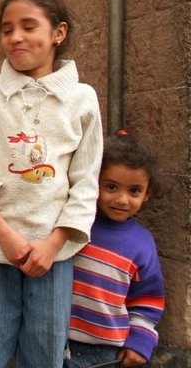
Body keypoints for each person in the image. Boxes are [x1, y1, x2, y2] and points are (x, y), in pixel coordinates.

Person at [0, 0, 104, 367]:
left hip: (52, 255)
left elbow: (86, 182)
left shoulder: (82, 99)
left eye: (28, 26)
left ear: (58, 33)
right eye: (7, 29)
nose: (15, 37)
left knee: (44, 356)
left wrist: (52, 244)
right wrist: (3, 235)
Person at [66, 131, 165, 368]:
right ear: (95, 183)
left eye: (134, 191)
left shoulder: (142, 244)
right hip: (57, 341)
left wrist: (140, 341)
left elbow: (148, 299)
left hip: (107, 353)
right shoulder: (76, 224)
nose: (122, 199)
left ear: (147, 193)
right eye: (111, 187)